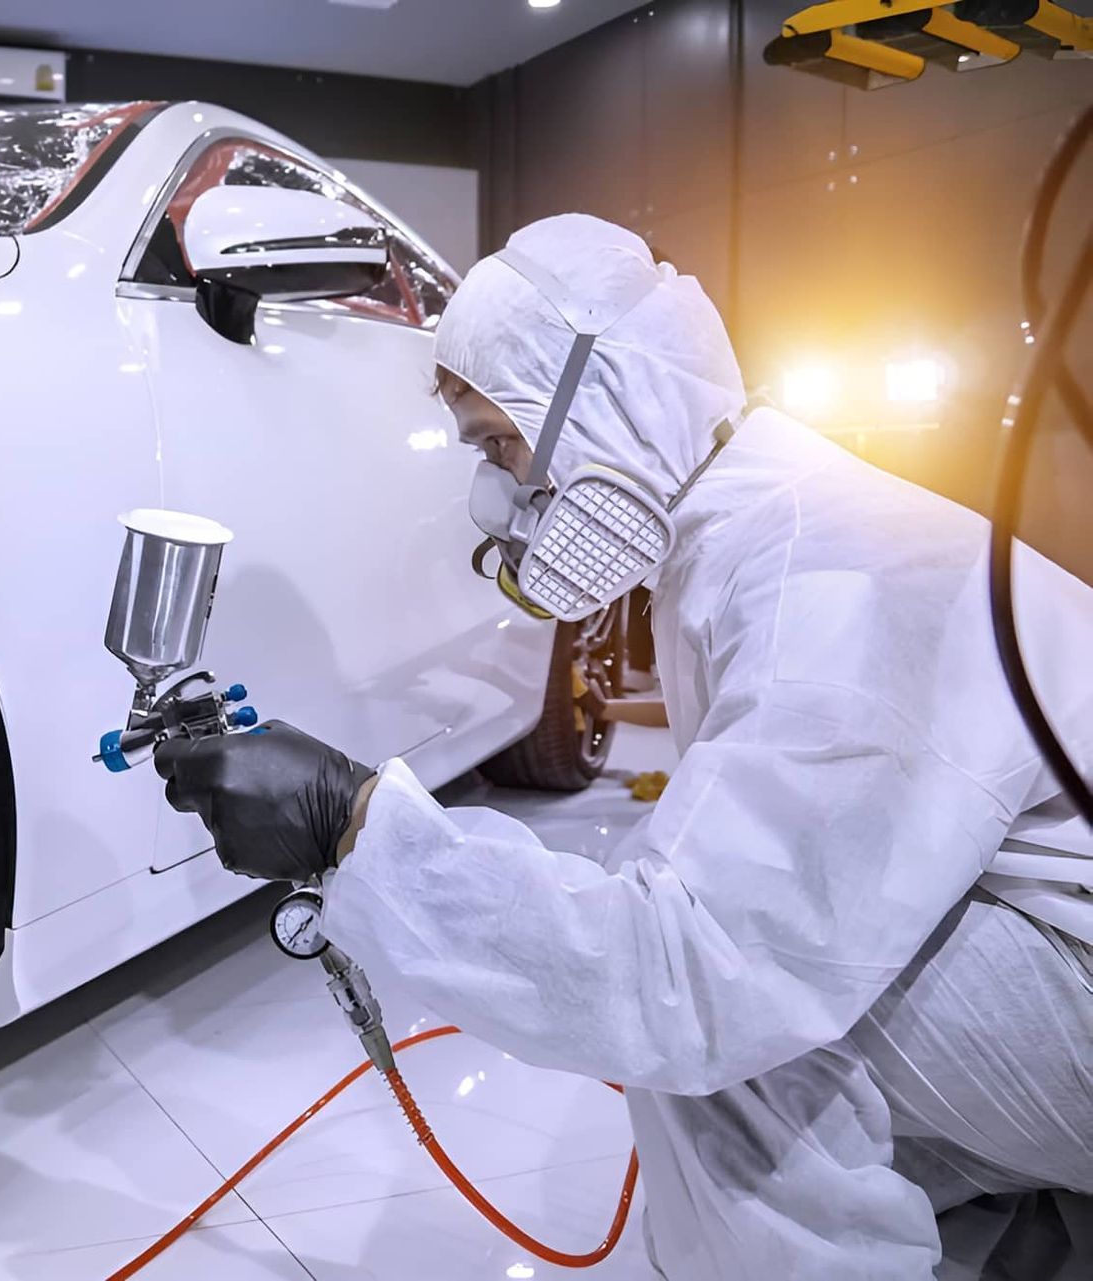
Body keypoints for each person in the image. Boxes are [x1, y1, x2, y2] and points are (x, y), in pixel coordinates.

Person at [155, 214, 1093, 1280]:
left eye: (501, 444)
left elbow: (697, 980)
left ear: (605, 398)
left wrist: (357, 824)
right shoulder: (754, 530)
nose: (495, 497)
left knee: (732, 1035)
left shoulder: (820, 583)